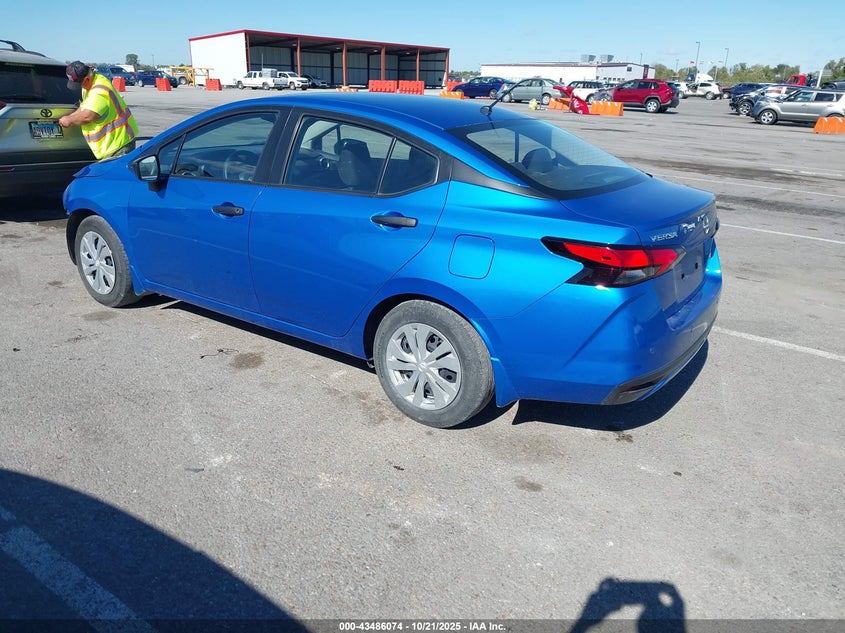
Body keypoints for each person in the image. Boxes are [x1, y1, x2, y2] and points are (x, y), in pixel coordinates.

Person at [58, 61, 138, 159]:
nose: (80, 87)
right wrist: (71, 116)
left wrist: (69, 120)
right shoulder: (90, 84)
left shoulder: (99, 91)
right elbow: (85, 106)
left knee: (115, 174)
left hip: (118, 145)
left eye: (79, 84)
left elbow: (88, 116)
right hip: (111, 145)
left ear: (86, 79)